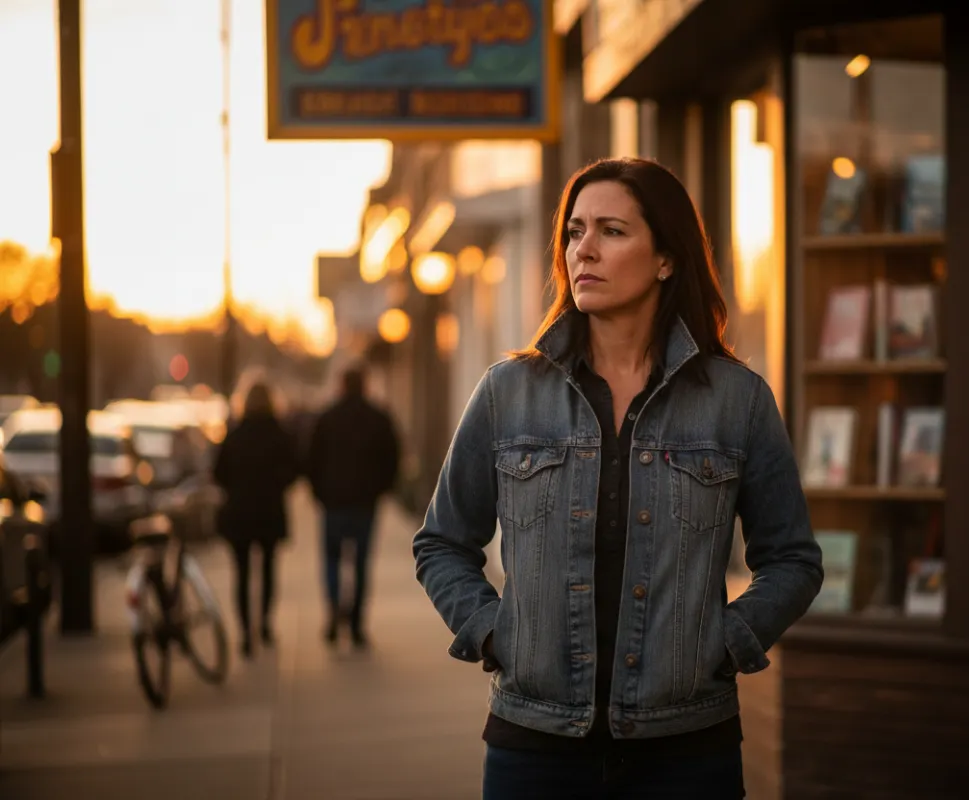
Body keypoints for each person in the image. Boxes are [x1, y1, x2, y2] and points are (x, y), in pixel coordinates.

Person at [413, 157, 824, 799]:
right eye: (575, 232)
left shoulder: (735, 400)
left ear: (665, 258)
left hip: (686, 750)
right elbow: (441, 542)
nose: (585, 250)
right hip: (535, 748)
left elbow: (792, 558)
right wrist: (497, 632)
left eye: (612, 231)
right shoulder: (508, 392)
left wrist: (725, 642)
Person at [306, 367, 400, 648]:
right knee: (360, 564)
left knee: (332, 560)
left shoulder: (327, 418)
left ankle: (335, 609)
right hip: (364, 504)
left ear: (342, 385)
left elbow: (311, 460)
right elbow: (393, 459)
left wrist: (319, 493)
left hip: (333, 503)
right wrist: (380, 490)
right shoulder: (379, 418)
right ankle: (357, 624)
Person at [213, 381, 300, 658]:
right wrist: (275, 485)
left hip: (239, 512)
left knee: (241, 573)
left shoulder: (235, 434)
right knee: (267, 570)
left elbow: (218, 473)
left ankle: (244, 632)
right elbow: (294, 469)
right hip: (269, 511)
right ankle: (264, 624)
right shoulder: (280, 433)